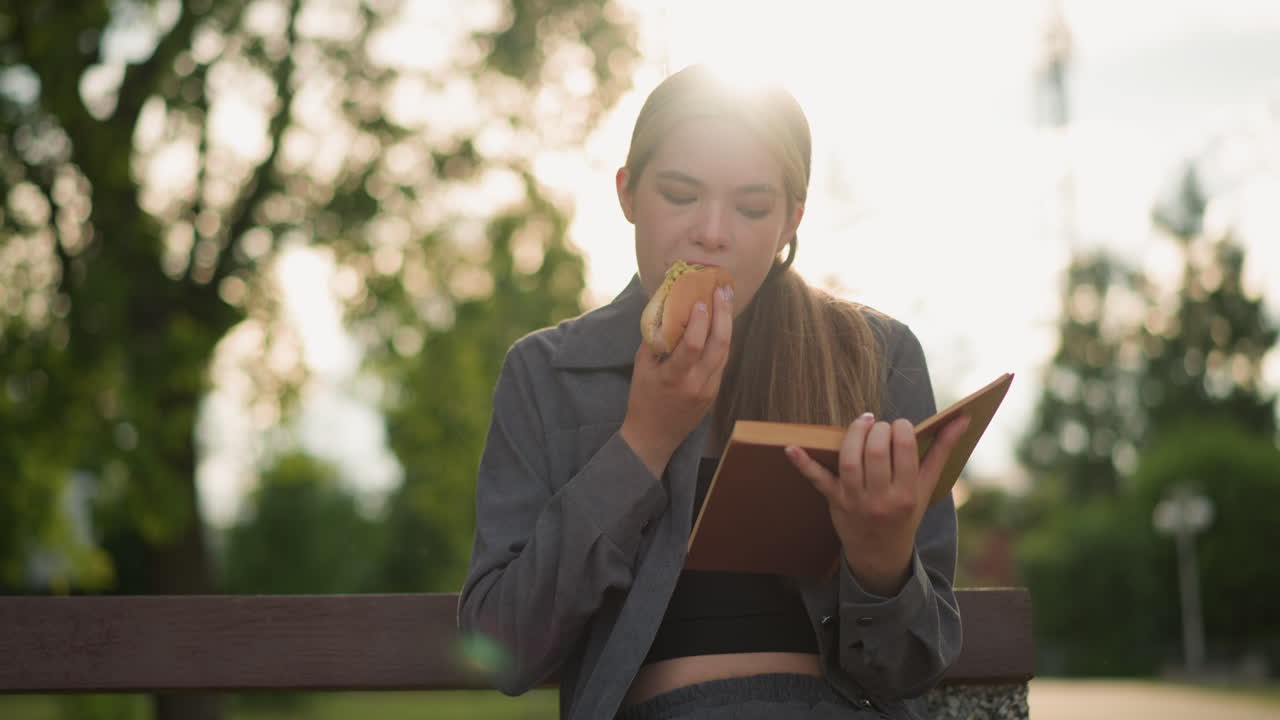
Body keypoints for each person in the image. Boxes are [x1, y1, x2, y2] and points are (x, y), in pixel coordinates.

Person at [458, 64, 970, 720]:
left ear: (792, 219)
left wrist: (881, 561)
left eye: (752, 207)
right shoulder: (548, 375)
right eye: (679, 194)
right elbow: (504, 646)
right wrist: (643, 441)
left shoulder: (876, 356)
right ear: (627, 195)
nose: (713, 232)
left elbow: (909, 671)